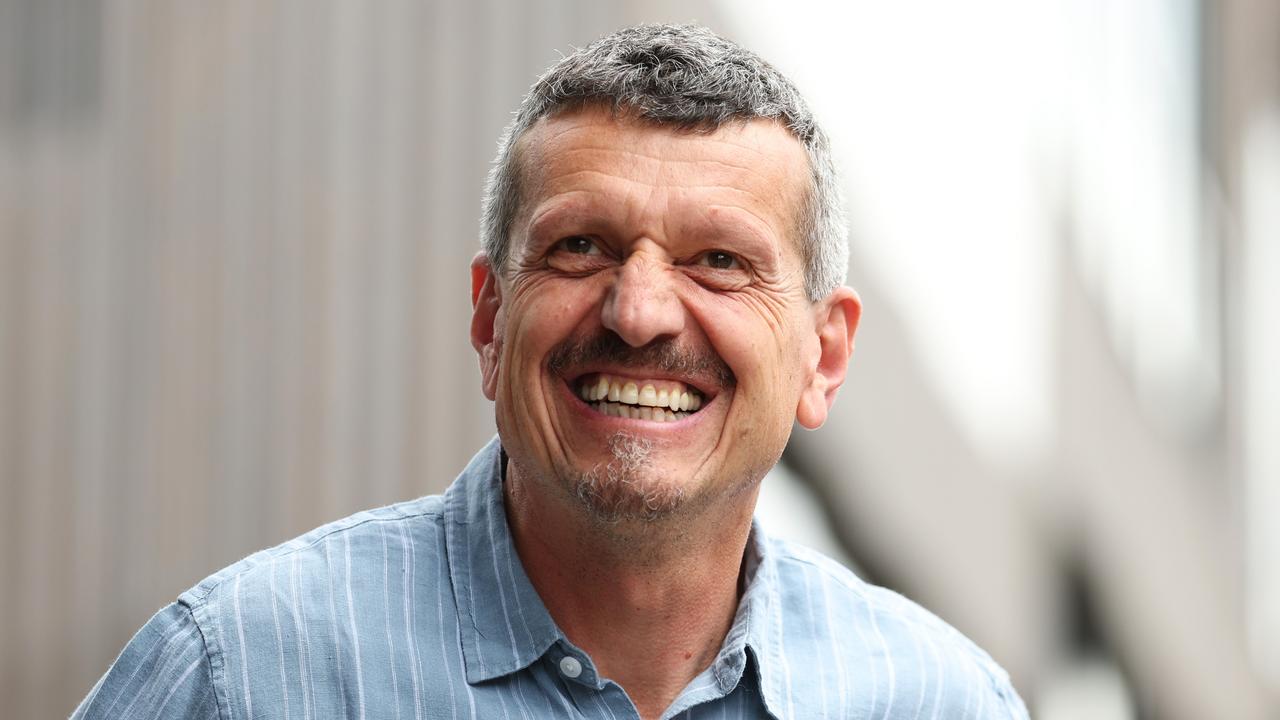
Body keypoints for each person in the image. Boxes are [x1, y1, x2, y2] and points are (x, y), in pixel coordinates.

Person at [72, 24, 1027, 719]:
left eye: (720, 262)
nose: (640, 311)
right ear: (490, 319)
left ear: (824, 355)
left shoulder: (941, 702)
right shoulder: (238, 675)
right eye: (580, 246)